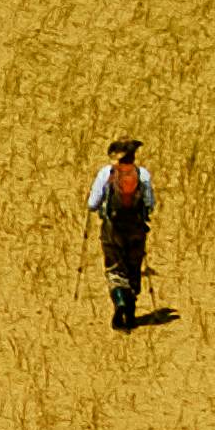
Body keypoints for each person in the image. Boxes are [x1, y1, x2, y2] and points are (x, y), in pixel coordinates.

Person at [88, 137, 156, 329]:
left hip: (112, 230)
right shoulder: (142, 175)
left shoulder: (106, 173)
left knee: (115, 269)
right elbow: (150, 204)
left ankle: (120, 303)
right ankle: (131, 311)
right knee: (133, 267)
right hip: (136, 229)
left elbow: (92, 204)